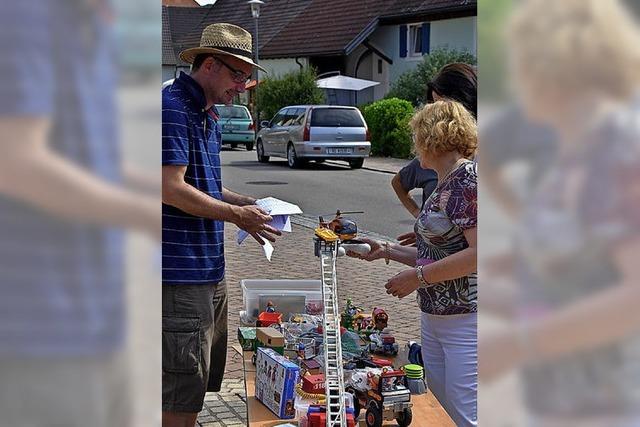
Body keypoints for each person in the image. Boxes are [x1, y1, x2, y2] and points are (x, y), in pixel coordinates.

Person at [480, 0, 640, 424]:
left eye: (522, 61)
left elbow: (633, 298)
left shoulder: (618, 150)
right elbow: (583, 279)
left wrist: (519, 343)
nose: (515, 79)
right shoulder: (572, 153)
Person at [0, 2, 159, 426]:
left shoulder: (97, 30)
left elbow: (98, 160)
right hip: (39, 331)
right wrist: (142, 213)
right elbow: (15, 162)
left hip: (99, 318)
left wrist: (174, 196)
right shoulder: (22, 16)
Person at [162, 23, 281, 427]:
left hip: (208, 272)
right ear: (210, 65)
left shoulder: (205, 114)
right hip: (180, 275)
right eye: (238, 74)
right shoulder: (173, 109)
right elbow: (170, 188)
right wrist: (236, 216)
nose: (243, 86)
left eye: (247, 78)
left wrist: (246, 202)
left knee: (194, 384)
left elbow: (205, 184)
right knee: (180, 390)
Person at [349, 100, 478, 426]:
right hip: (437, 317)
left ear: (435, 137)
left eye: (418, 136)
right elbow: (438, 253)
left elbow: (479, 254)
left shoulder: (466, 181)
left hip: (467, 320)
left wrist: (417, 278)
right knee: (440, 409)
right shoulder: (445, 181)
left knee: (465, 412)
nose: (414, 145)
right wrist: (387, 251)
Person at [394, 63, 477, 244]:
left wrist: (421, 273)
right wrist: (428, 229)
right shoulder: (437, 153)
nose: (434, 111)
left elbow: (475, 253)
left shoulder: (471, 174)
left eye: (441, 103)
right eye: (433, 103)